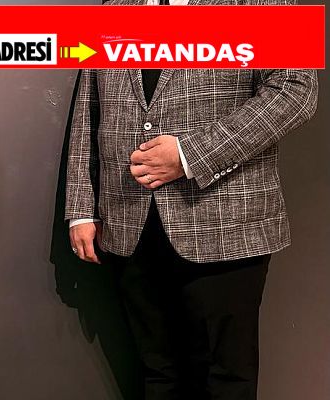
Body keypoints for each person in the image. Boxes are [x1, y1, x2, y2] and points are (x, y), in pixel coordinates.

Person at [65, 1, 318, 399]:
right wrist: (81, 207)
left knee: (225, 378)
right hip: (129, 221)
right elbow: (88, 109)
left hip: (225, 222)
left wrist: (190, 155)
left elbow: (296, 90)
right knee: (157, 373)